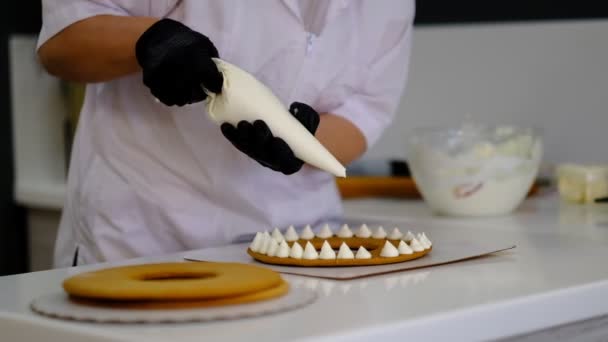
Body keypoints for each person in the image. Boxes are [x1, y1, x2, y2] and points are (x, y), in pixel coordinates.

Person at [37, 0, 414, 267]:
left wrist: (301, 144)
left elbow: (366, 109)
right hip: (144, 238)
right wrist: (149, 41)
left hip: (299, 246)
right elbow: (63, 43)